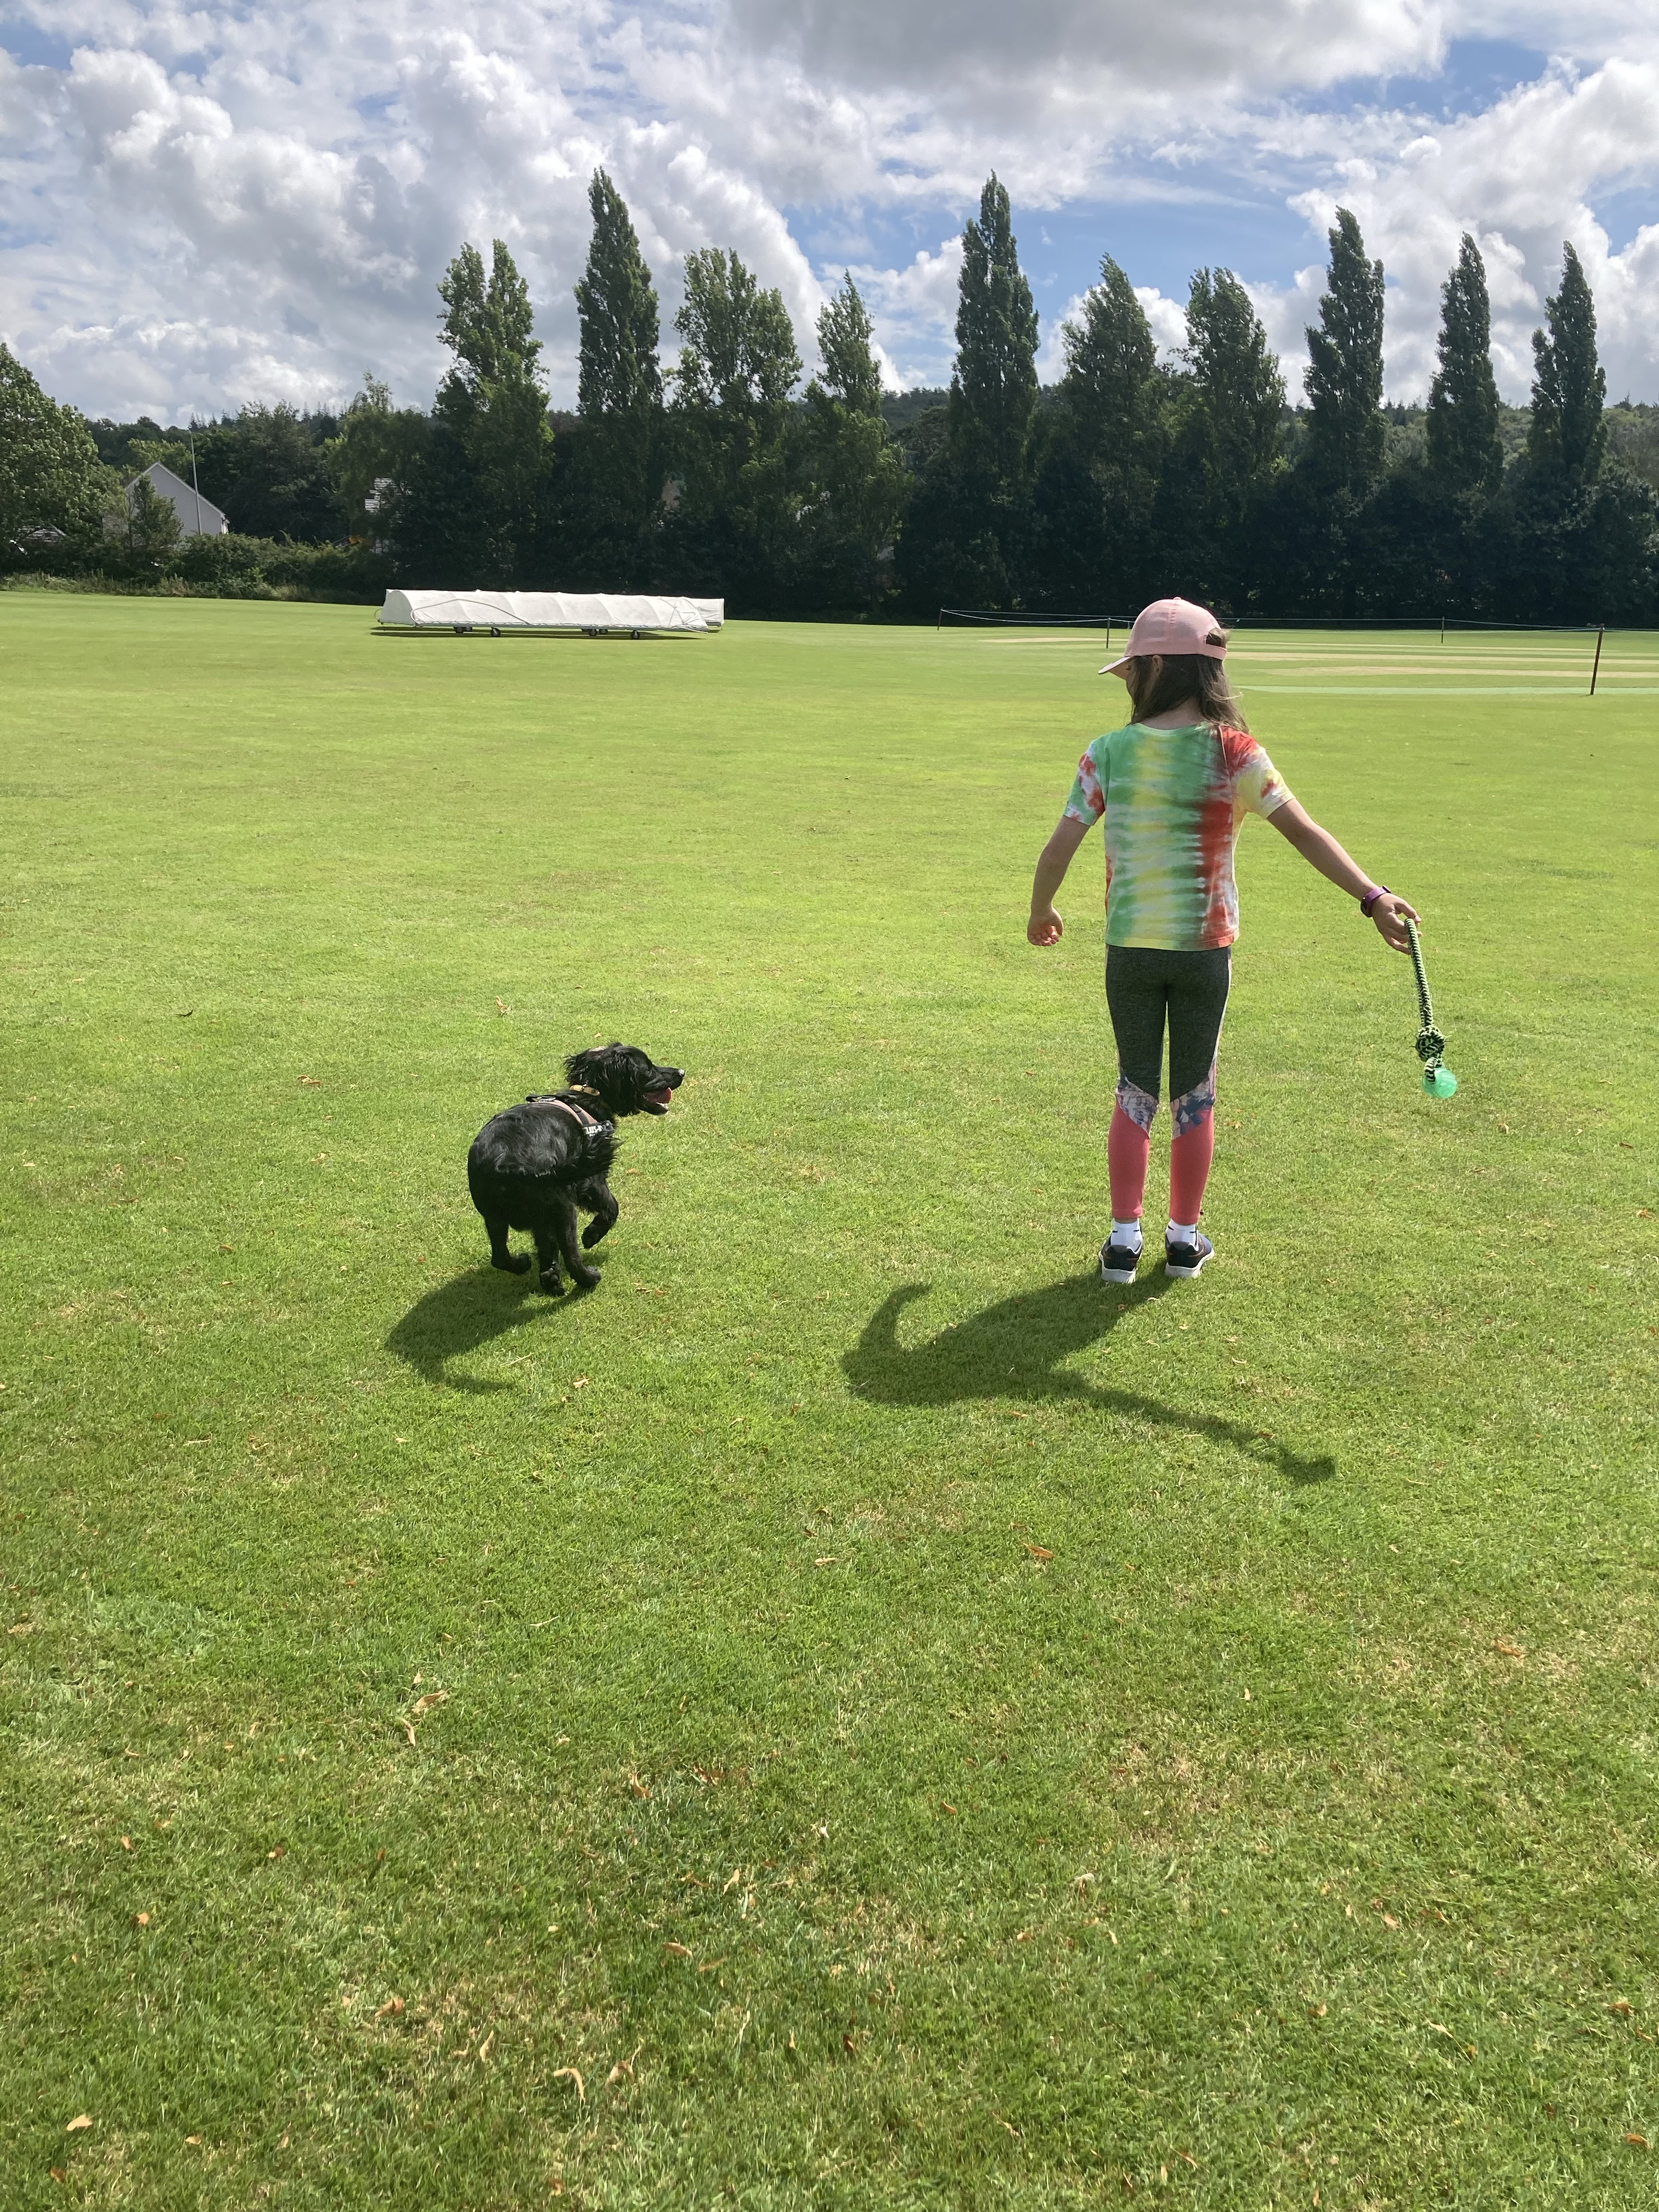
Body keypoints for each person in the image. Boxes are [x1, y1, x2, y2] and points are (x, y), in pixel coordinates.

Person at [1026, 597, 1417, 1283]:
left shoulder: (1108, 752)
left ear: (1155, 667)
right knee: (1195, 1092)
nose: (1127, 682)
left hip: (1131, 951)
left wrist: (1042, 909)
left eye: (1130, 671)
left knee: (1134, 1088)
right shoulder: (1237, 752)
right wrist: (1372, 896)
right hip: (1206, 951)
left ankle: (1123, 1241)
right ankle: (1183, 1240)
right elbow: (1305, 832)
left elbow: (1061, 844)